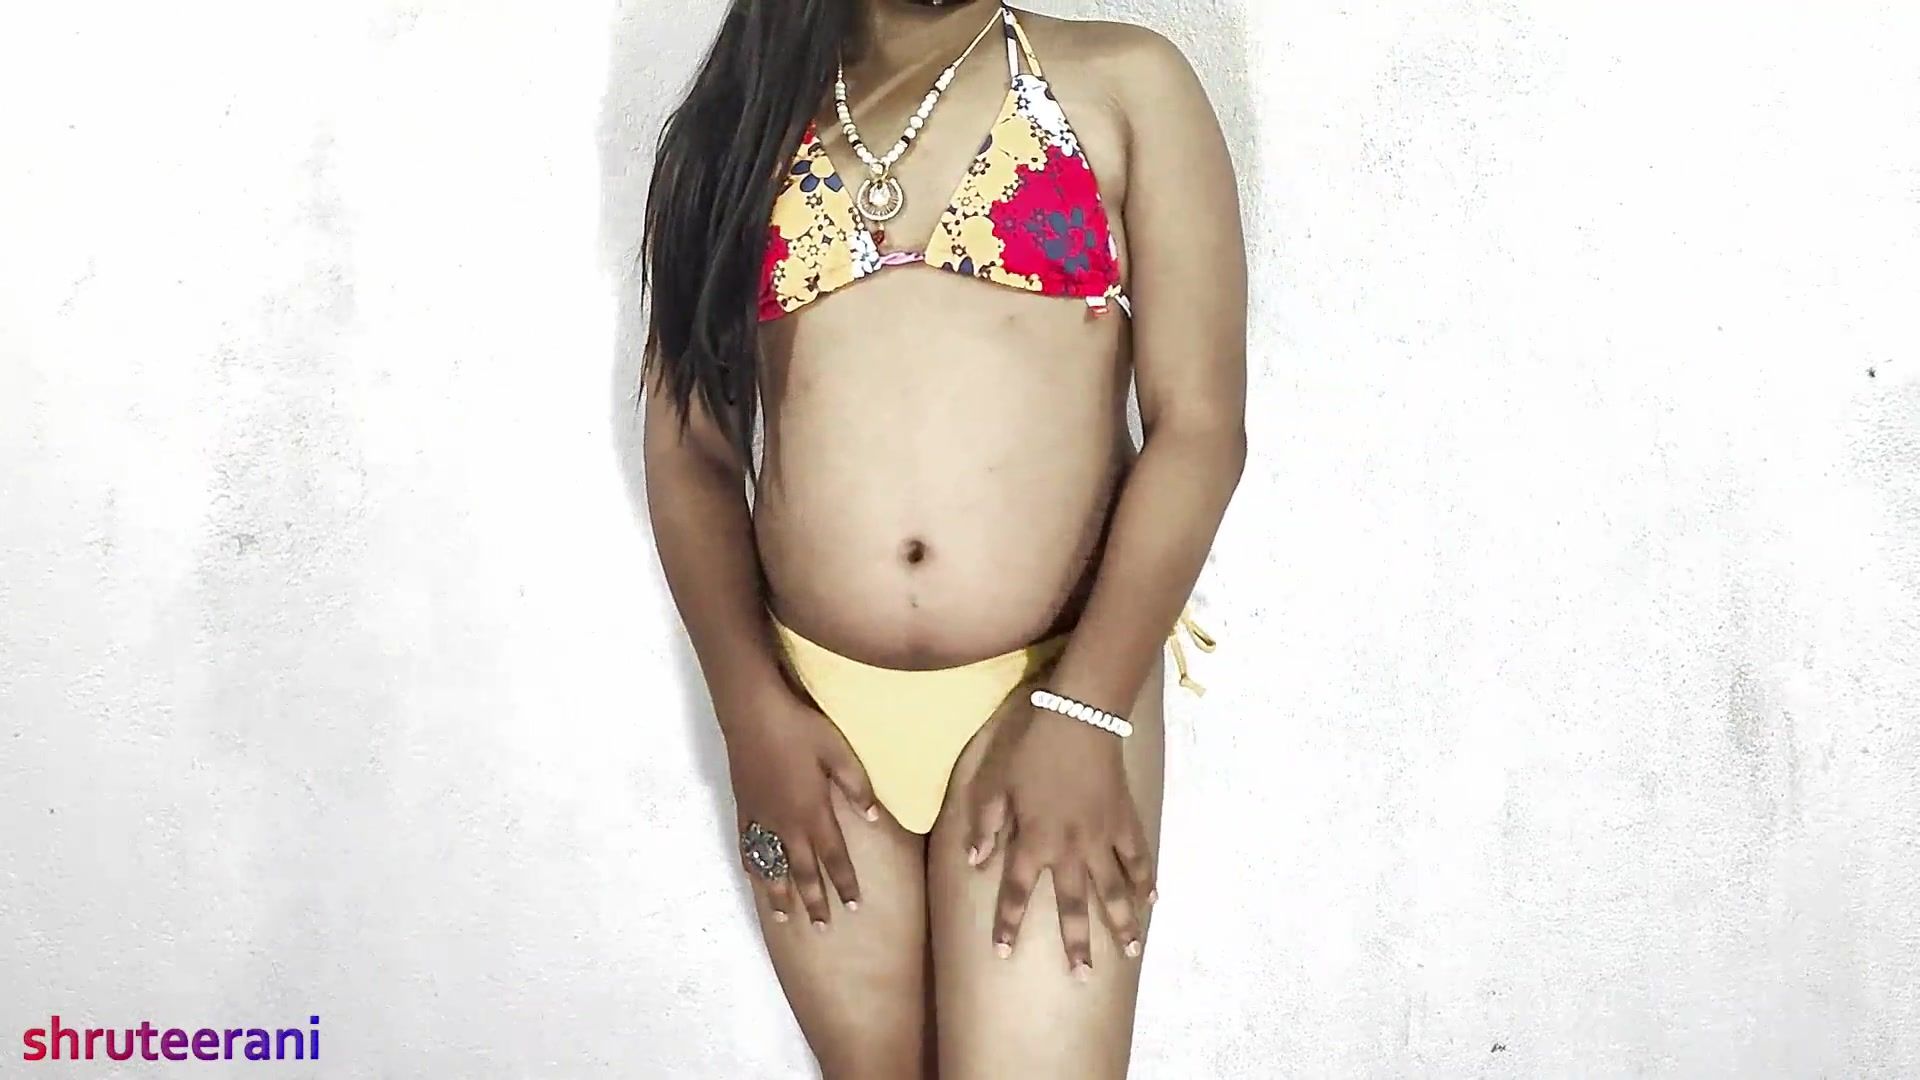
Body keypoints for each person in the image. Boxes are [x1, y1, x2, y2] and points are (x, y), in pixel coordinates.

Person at [640, 0, 1245, 1075]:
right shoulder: (740, 123)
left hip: (1051, 694)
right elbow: (690, 450)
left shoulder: (1125, 82)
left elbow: (1200, 430)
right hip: (808, 714)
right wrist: (749, 712)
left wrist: (1087, 710)